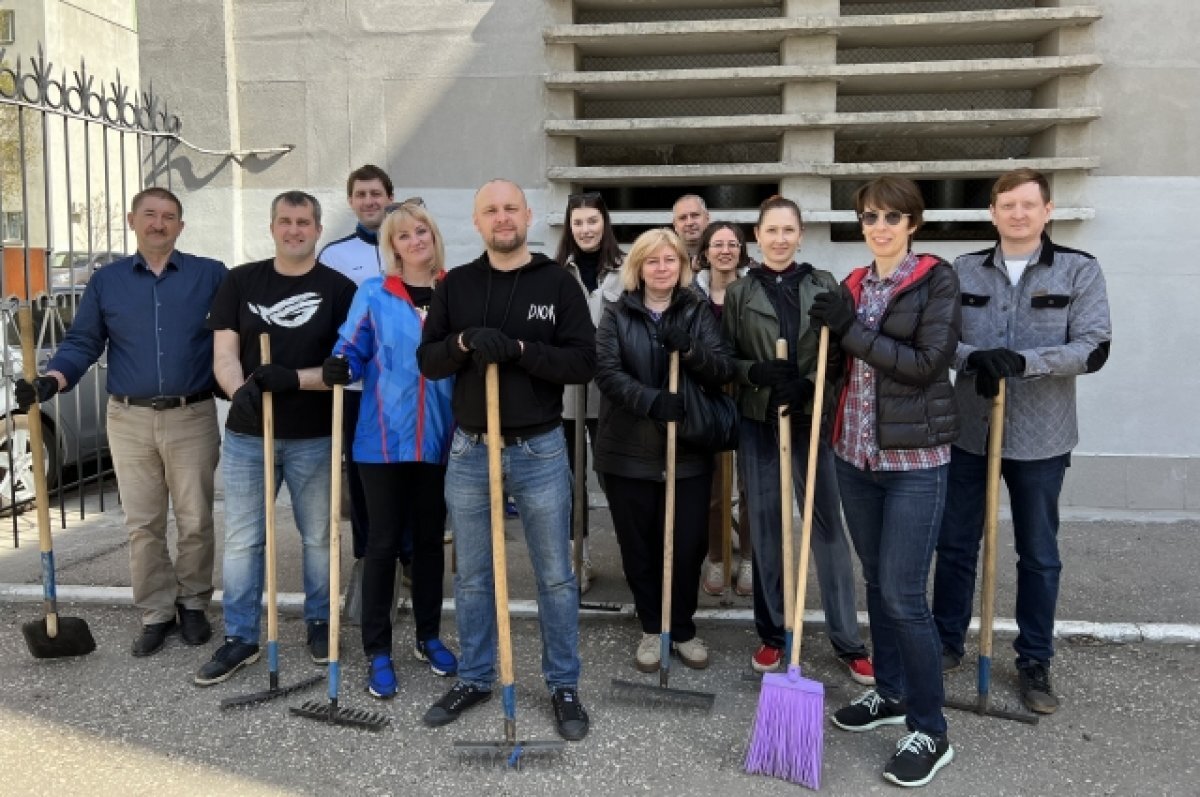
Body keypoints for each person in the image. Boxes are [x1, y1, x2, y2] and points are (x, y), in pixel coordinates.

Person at [415, 179, 596, 741]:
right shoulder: (456, 285)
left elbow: (582, 362)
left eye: (510, 208)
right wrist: (463, 342)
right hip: (471, 449)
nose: (502, 217)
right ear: (476, 222)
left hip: (540, 448)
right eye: (490, 210)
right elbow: (428, 361)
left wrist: (520, 351)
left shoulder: (557, 283)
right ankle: (475, 677)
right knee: (472, 576)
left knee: (555, 576)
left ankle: (563, 684)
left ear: (528, 215)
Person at [16, 187, 226, 658]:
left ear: (181, 226)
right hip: (129, 418)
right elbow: (83, 341)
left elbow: (236, 333)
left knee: (195, 519)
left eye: (168, 216)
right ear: (132, 220)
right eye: (149, 214)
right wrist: (53, 379)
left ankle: (193, 604)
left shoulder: (210, 275)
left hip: (192, 414)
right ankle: (156, 612)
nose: (158, 223)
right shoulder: (107, 282)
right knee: (142, 523)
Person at [932, 168, 1112, 715]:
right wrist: (975, 358)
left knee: (1038, 552)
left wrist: (1024, 362)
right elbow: (940, 340)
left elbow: (1094, 347)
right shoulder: (964, 269)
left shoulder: (1079, 270)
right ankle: (945, 642)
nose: (1017, 214)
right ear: (992, 213)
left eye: (1028, 205)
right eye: (1006, 205)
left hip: (1042, 437)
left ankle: (1034, 659)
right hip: (970, 431)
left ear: (1047, 210)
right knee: (955, 544)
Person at [810, 176, 960, 788]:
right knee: (876, 581)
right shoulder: (852, 284)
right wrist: (821, 345)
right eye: (870, 216)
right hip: (854, 457)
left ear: (913, 223)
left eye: (892, 217)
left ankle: (930, 729)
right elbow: (841, 365)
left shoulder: (936, 280)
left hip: (915, 463)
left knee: (903, 596)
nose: (880, 227)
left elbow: (926, 364)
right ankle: (891, 693)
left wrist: (849, 331)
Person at [195, 191, 357, 686]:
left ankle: (320, 623)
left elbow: (345, 366)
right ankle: (241, 637)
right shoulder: (240, 281)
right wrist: (239, 390)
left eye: (303, 222)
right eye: (285, 221)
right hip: (249, 436)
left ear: (318, 229)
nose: (294, 230)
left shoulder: (339, 289)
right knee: (244, 539)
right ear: (272, 228)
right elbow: (225, 352)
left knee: (319, 538)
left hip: (315, 435)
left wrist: (293, 379)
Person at [722, 196, 874, 685]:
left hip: (810, 420)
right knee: (766, 528)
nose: (780, 239)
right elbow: (725, 360)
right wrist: (755, 373)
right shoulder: (740, 293)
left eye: (789, 230)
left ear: (801, 235)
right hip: (760, 421)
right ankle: (773, 633)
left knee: (826, 527)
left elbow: (842, 358)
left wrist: (810, 386)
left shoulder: (825, 285)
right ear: (757, 236)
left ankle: (848, 641)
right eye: (771, 230)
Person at [323, 200, 459, 699]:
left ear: (433, 236)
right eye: (404, 235)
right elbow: (351, 349)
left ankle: (428, 636)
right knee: (381, 544)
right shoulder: (375, 292)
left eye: (422, 231)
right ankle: (377, 649)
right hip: (381, 439)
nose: (415, 240)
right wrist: (341, 365)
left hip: (439, 438)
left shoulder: (454, 291)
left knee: (427, 544)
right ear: (393, 246)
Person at [594, 228, 735, 673]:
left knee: (688, 545)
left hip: (687, 452)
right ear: (638, 267)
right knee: (639, 547)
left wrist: (690, 350)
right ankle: (653, 628)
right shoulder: (617, 314)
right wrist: (652, 401)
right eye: (652, 260)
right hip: (628, 453)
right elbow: (607, 373)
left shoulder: (697, 312)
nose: (661, 268)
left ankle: (684, 628)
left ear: (682, 266)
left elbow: (722, 368)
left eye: (669, 260)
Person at [317, 164, 394, 606]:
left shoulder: (411, 245)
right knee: (363, 478)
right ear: (351, 201)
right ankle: (367, 560)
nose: (369, 201)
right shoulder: (335, 255)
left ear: (389, 197)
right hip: (356, 391)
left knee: (408, 474)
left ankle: (406, 558)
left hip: (404, 390)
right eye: (361, 194)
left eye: (376, 193)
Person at [554, 191, 623, 593]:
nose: (586, 229)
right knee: (569, 479)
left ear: (604, 223)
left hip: (611, 393)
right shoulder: (555, 272)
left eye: (592, 221)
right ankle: (577, 557)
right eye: (578, 222)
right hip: (565, 393)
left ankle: (633, 553)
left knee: (614, 475)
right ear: (569, 226)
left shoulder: (625, 269)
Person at [690, 220, 754, 598]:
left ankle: (748, 557)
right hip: (707, 399)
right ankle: (716, 556)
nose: (725, 250)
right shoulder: (691, 293)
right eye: (718, 244)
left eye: (733, 244)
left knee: (750, 485)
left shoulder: (753, 290)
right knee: (713, 486)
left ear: (741, 251)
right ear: (705, 252)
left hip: (748, 395)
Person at [671, 194, 710, 270]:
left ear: (707, 218)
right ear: (675, 225)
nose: (689, 223)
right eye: (683, 218)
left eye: (695, 215)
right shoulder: (666, 258)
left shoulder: (721, 252)